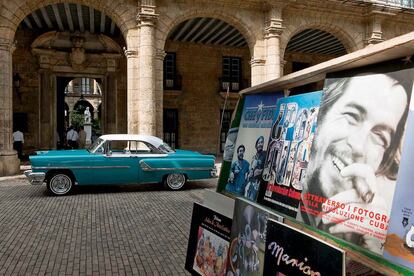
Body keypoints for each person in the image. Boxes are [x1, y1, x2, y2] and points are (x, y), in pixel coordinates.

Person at [300, 70, 413, 253]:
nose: (359, 146)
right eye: (351, 116)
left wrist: (375, 251)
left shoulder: (373, 232)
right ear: (321, 116)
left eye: (379, 136)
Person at [244, 136, 267, 200]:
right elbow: (251, 169)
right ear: (256, 145)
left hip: (258, 184)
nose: (260, 144)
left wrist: (261, 171)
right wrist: (247, 174)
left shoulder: (265, 154)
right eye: (259, 143)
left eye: (262, 142)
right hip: (250, 183)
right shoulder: (254, 157)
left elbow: (269, 169)